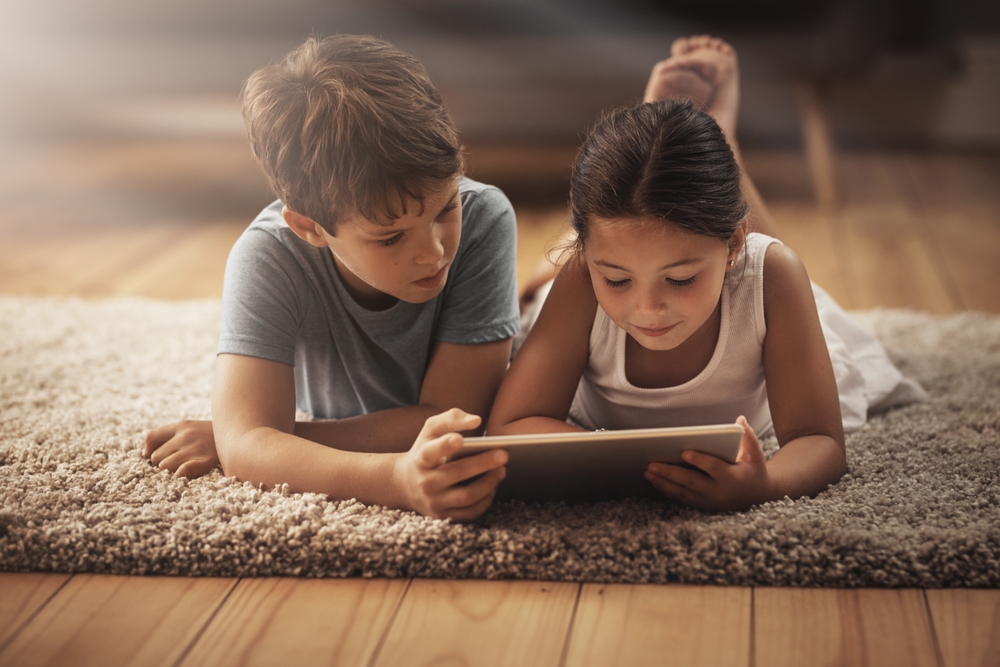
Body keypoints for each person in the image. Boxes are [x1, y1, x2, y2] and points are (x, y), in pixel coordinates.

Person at [489, 36, 925, 512]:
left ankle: (715, 140)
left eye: (679, 280)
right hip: (595, 258)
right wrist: (617, 463)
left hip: (752, 280)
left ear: (732, 244)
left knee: (793, 280)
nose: (648, 307)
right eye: (617, 280)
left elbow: (818, 440)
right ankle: (663, 141)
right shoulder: (580, 276)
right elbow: (511, 425)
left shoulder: (768, 273)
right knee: (544, 292)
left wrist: (768, 484)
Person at [143, 35, 518, 522]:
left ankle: (533, 286)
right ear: (309, 228)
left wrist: (267, 437)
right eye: (390, 238)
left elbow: (457, 415)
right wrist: (396, 480)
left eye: (445, 209)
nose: (435, 251)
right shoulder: (268, 258)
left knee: (549, 296)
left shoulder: (485, 216)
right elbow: (245, 446)